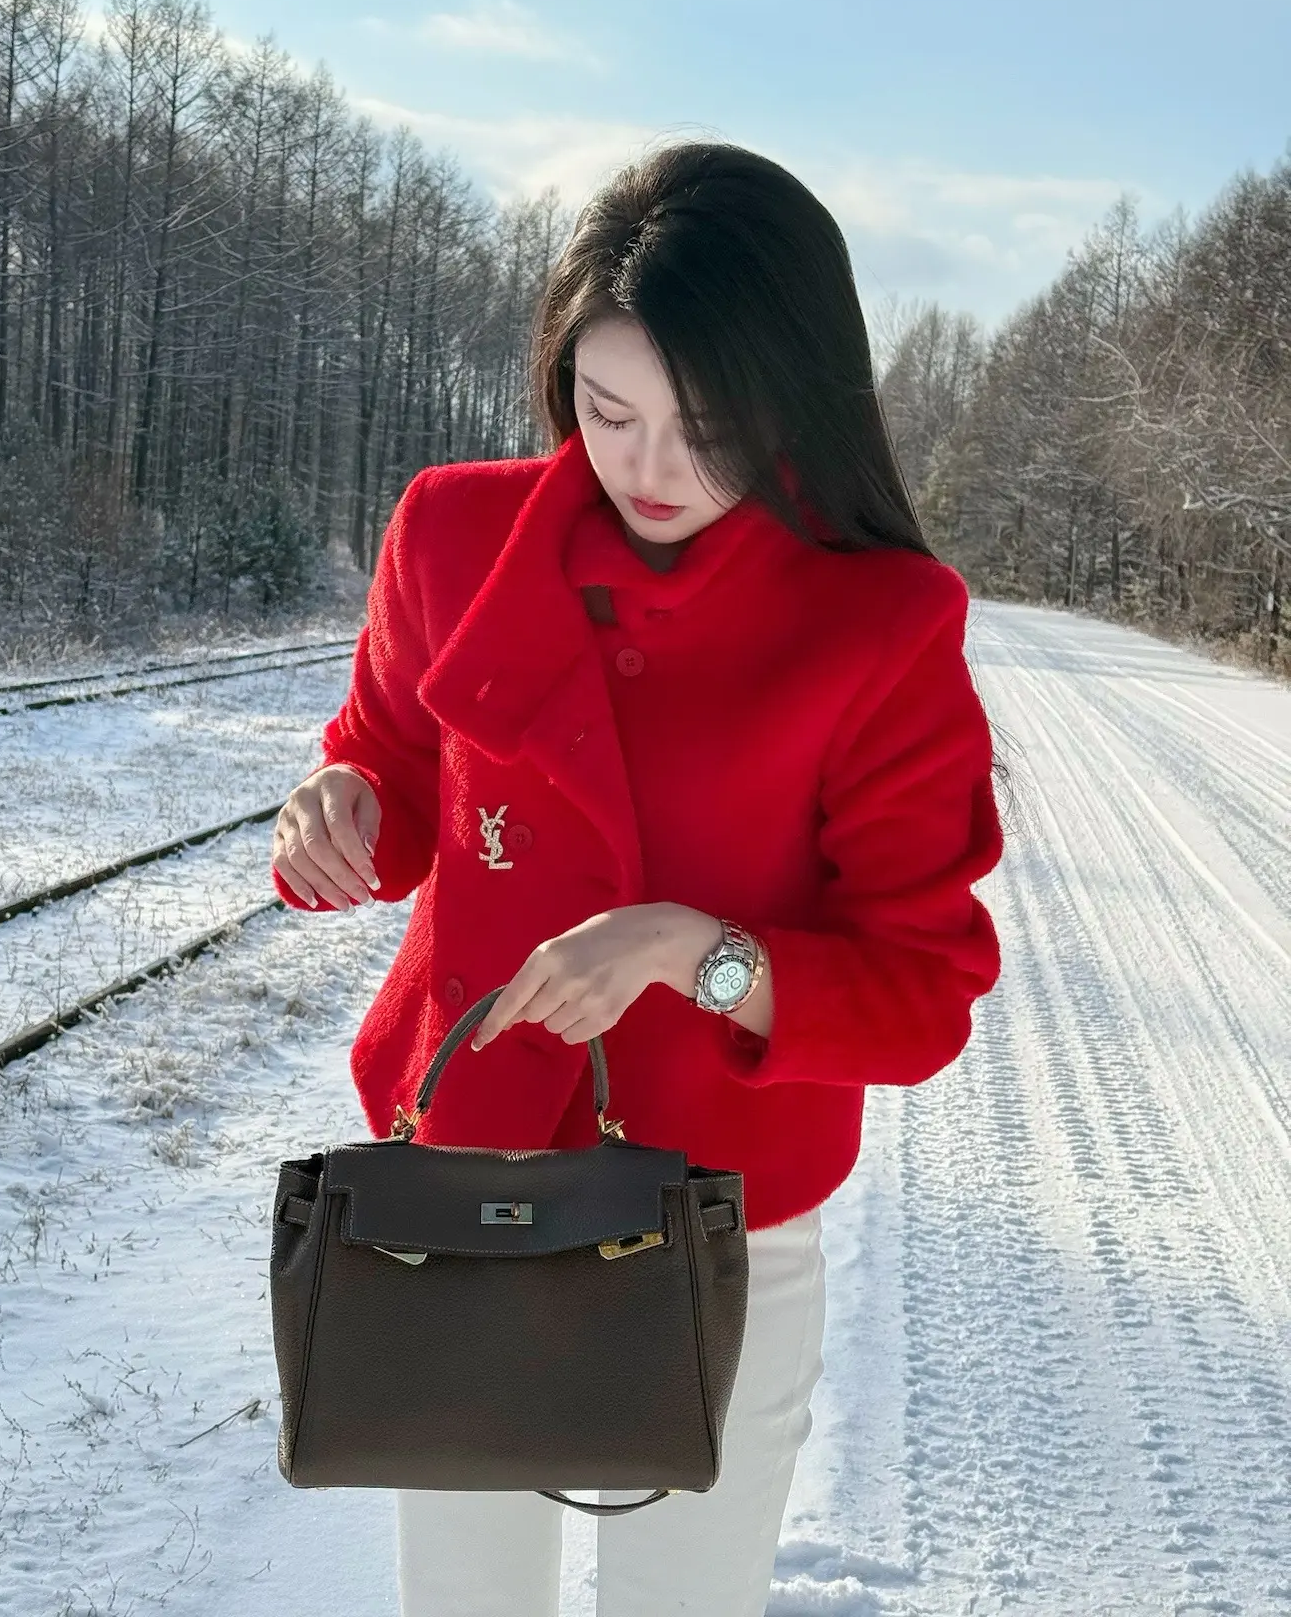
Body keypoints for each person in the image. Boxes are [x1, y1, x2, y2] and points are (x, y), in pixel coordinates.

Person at [270, 139, 1006, 1617]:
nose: (651, 471)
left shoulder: (879, 624)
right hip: (462, 1187)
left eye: (709, 426)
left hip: (714, 1224)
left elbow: (924, 989)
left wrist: (697, 951)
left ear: (800, 402)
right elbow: (395, 761)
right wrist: (338, 812)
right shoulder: (454, 533)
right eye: (608, 414)